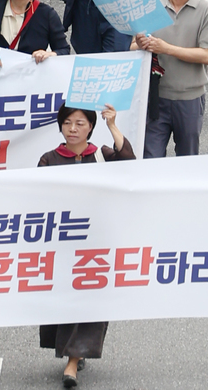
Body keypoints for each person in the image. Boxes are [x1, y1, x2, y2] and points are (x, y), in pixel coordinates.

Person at [36, 101, 137, 386]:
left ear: (91, 126)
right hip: (63, 243)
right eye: (68, 123)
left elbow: (129, 164)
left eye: (80, 123)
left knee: (92, 298)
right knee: (67, 298)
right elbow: (36, 199)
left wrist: (113, 125)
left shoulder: (101, 156)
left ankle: (73, 361)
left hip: (99, 242)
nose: (73, 129)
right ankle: (73, 353)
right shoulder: (48, 159)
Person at [130, 0, 208, 156]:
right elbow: (133, 46)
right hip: (155, 97)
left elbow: (206, 55)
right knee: (150, 157)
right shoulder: (150, 4)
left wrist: (166, 48)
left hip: (189, 97)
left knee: (187, 158)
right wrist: (141, 45)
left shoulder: (207, 9)